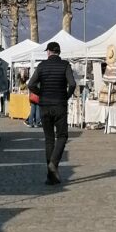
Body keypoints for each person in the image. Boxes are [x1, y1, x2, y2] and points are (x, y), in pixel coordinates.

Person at [27, 40, 76, 185]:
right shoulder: (65, 65)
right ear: (59, 52)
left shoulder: (42, 66)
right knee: (62, 136)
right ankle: (53, 163)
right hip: (60, 105)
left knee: (49, 139)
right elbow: (72, 84)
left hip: (45, 106)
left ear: (48, 52)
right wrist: (66, 96)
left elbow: (31, 84)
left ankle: (51, 176)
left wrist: (41, 93)